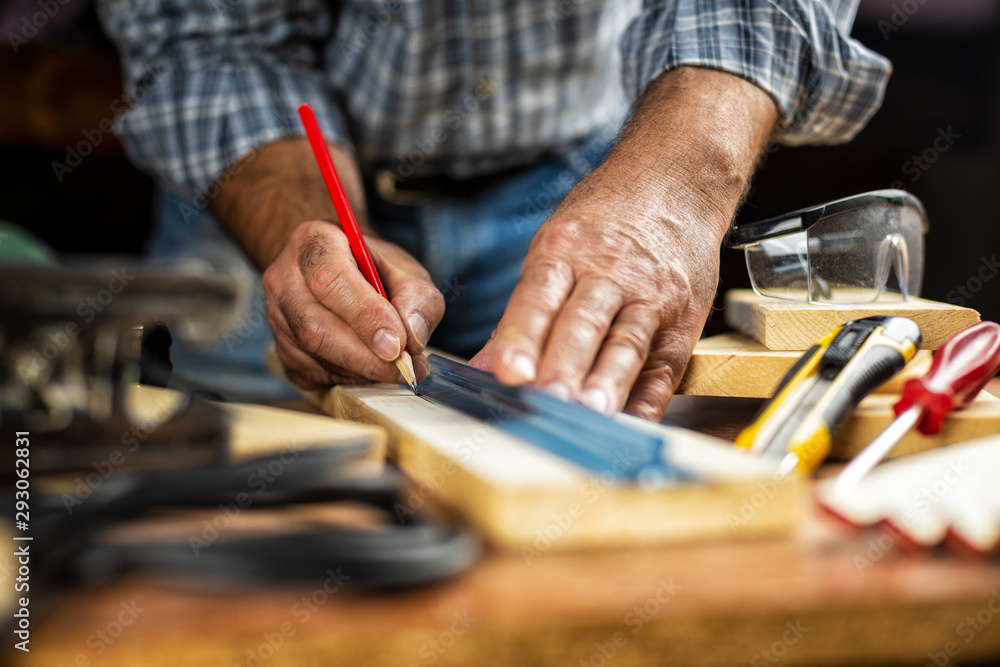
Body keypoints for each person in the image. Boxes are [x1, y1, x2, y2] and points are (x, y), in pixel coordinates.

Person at [97, 0, 889, 419]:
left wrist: (679, 186)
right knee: (247, 554)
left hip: (587, 195)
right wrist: (309, 226)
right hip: (271, 202)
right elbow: (214, 45)